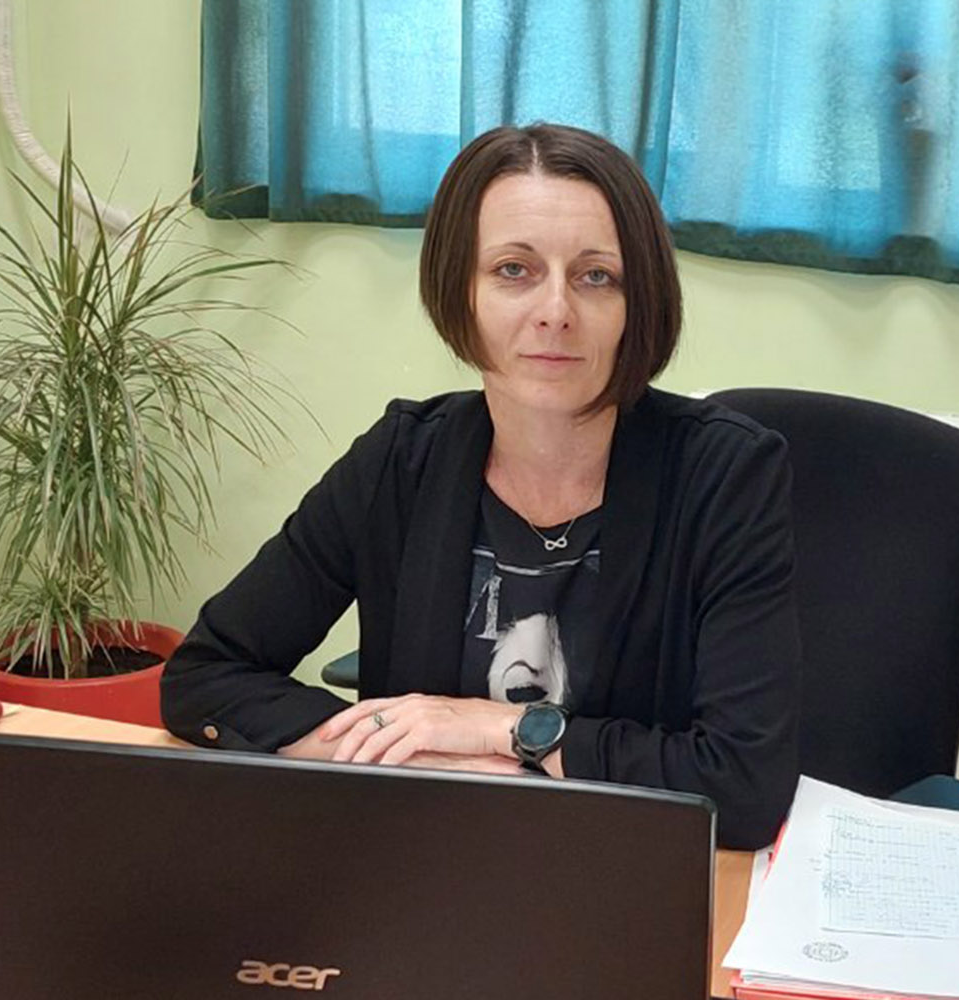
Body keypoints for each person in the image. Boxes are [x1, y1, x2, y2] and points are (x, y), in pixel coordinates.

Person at [162, 123, 802, 849]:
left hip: (616, 864)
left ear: (638, 302)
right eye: (513, 270)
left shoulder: (724, 476)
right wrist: (416, 756)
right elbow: (205, 676)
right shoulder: (402, 461)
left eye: (596, 276)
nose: (555, 310)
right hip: (428, 855)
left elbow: (743, 788)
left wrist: (501, 731)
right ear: (459, 291)